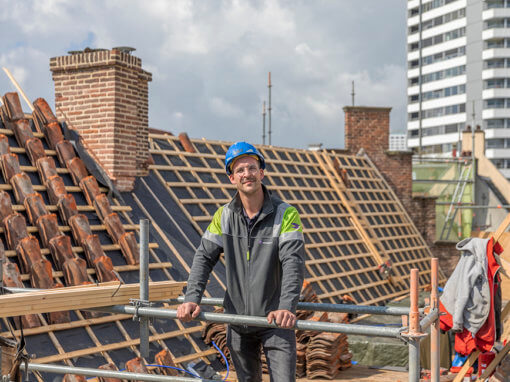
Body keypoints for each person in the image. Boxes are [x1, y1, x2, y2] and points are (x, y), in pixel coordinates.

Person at [177, 141, 305, 382]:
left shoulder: (285, 214)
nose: (247, 174)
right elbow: (203, 257)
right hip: (237, 321)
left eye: (252, 168)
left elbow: (293, 263)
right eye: (240, 170)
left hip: (275, 320)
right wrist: (192, 298)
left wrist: (287, 306)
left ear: (262, 173)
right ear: (232, 178)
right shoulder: (224, 216)